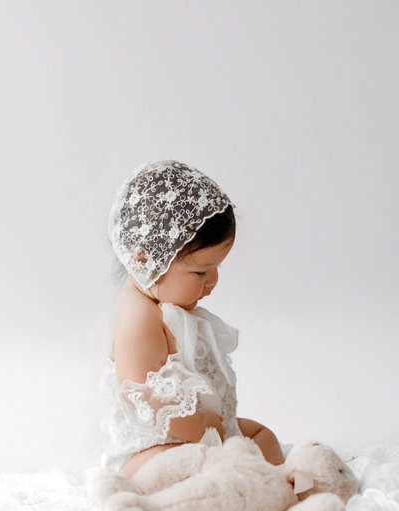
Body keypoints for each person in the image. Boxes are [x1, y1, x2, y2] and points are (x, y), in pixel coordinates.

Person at [101, 160, 284, 480]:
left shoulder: (165, 301)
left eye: (217, 268)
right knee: (186, 465)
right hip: (156, 445)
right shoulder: (137, 319)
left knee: (261, 436)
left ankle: (276, 481)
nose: (213, 281)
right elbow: (143, 396)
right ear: (146, 259)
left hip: (207, 432)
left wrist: (217, 429)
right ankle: (228, 486)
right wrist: (199, 427)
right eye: (200, 272)